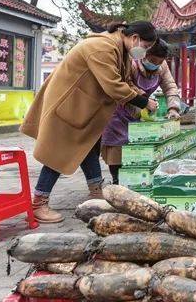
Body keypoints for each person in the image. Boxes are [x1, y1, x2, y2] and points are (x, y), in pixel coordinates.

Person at [20, 21, 158, 223]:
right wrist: (143, 101)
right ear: (135, 38)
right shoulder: (102, 47)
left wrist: (140, 94)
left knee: (89, 147)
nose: (143, 52)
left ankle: (96, 192)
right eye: (145, 47)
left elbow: (125, 80)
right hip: (68, 104)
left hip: (83, 106)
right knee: (59, 153)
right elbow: (113, 85)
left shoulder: (119, 48)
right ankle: (38, 203)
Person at [101, 39, 182, 185]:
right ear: (145, 54)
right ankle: (117, 180)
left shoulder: (162, 67)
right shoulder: (131, 63)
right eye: (152, 60)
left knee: (136, 147)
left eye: (159, 62)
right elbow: (125, 85)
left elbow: (170, 87)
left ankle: (136, 179)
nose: (155, 64)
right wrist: (143, 100)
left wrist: (173, 108)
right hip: (118, 110)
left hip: (139, 111)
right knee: (116, 147)